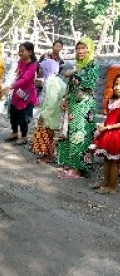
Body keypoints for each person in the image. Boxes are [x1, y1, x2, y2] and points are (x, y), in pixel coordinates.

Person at [56, 37, 99, 179]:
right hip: (73, 104)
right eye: (78, 48)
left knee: (80, 135)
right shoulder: (78, 66)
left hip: (85, 106)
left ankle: (79, 168)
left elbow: (88, 82)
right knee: (69, 133)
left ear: (89, 49)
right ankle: (69, 163)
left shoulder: (93, 65)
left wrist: (73, 73)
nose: (80, 51)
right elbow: (71, 86)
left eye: (83, 48)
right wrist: (64, 98)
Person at [30, 59, 66, 163]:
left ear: (47, 69)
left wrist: (44, 115)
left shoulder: (51, 81)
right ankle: (48, 155)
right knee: (49, 134)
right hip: (54, 112)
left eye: (41, 68)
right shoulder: (55, 79)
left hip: (52, 113)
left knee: (45, 134)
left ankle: (48, 156)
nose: (39, 70)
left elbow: (52, 100)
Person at [89, 74, 120, 194]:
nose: (117, 87)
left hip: (116, 135)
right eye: (116, 84)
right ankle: (105, 182)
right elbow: (110, 117)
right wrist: (103, 125)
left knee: (114, 162)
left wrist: (108, 127)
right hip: (108, 133)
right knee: (107, 160)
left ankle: (112, 187)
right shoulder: (113, 101)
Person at [2, 42, 38, 145]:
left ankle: (24, 136)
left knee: (22, 116)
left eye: (22, 51)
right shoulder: (20, 61)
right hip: (17, 92)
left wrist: (11, 86)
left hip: (26, 94)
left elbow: (25, 79)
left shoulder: (33, 65)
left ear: (30, 52)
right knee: (13, 113)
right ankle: (14, 134)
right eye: (19, 51)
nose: (20, 53)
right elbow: (18, 76)